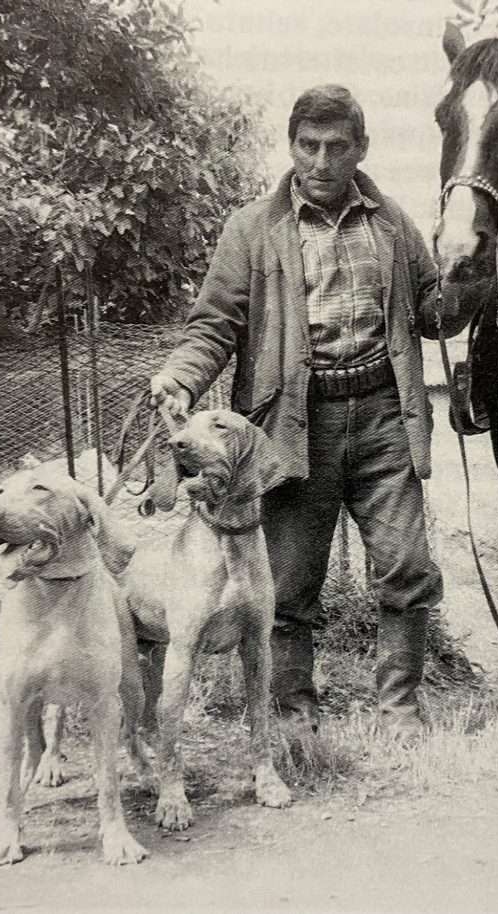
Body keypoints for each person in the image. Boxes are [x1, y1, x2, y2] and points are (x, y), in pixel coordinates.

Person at [150, 84, 445, 740]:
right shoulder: (251, 229)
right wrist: (180, 380)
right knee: (285, 585)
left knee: (405, 566)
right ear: (290, 147)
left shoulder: (393, 222)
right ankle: (292, 719)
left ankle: (399, 711)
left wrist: (471, 286)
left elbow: (431, 311)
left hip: (384, 418)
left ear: (360, 149)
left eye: (336, 147)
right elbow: (213, 325)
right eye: (307, 146)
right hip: (290, 425)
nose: (320, 161)